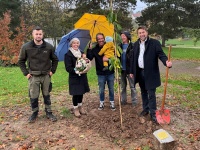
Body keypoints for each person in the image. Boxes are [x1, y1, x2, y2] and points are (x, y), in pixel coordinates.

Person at [130, 26, 172, 123]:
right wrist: (132, 71)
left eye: (143, 32)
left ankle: (153, 113)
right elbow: (133, 58)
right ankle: (146, 109)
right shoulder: (136, 44)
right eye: (140, 33)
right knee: (143, 92)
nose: (141, 34)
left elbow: (161, 54)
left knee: (151, 94)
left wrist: (166, 62)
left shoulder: (154, 43)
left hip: (150, 73)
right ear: (138, 34)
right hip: (140, 72)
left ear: (147, 32)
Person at [18, 26, 58, 123]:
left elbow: (55, 59)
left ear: (42, 35)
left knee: (46, 94)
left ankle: (48, 111)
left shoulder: (49, 47)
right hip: (33, 76)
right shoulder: (26, 47)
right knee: (33, 95)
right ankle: (34, 112)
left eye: (40, 34)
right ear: (33, 35)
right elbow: (21, 61)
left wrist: (52, 71)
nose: (38, 36)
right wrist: (26, 73)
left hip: (46, 75)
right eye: (36, 34)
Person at [87, 33, 116, 111]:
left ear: (104, 39)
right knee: (101, 89)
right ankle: (102, 102)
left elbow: (116, 57)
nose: (100, 40)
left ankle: (112, 102)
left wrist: (108, 60)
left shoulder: (109, 46)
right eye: (99, 39)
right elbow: (89, 58)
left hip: (110, 72)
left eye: (101, 38)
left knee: (111, 89)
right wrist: (89, 49)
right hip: (100, 73)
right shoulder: (95, 49)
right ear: (97, 40)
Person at [64, 38, 90, 117]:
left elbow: (85, 62)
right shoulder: (68, 54)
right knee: (75, 93)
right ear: (71, 44)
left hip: (82, 76)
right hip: (74, 77)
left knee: (81, 92)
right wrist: (76, 70)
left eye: (77, 43)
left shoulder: (82, 53)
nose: (76, 45)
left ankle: (80, 107)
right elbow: (68, 68)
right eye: (74, 43)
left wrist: (86, 60)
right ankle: (75, 108)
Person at [119, 31, 138, 106]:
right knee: (123, 87)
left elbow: (134, 59)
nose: (122, 37)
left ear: (127, 37)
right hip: (122, 70)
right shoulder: (119, 46)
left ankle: (134, 101)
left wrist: (132, 71)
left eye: (124, 36)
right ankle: (123, 101)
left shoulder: (132, 46)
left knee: (132, 87)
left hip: (130, 70)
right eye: (121, 36)